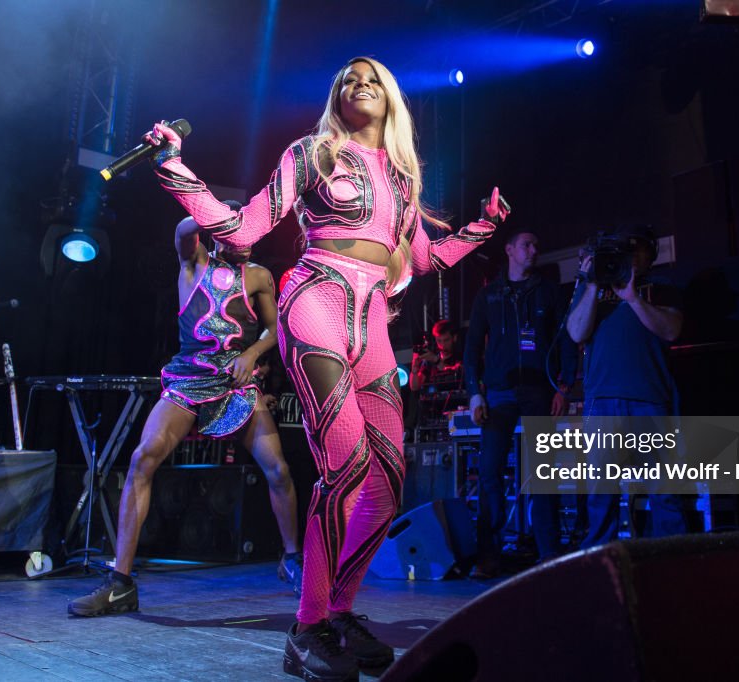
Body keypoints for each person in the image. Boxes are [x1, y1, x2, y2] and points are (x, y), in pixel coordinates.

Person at [144, 57, 510, 680]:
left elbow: (422, 260)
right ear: (336, 98)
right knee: (347, 464)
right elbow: (243, 229)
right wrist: (173, 168)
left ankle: (339, 612)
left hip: (373, 324)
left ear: (391, 97)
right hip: (315, 299)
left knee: (387, 481)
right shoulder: (314, 152)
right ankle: (306, 626)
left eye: (371, 78)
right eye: (347, 79)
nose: (358, 83)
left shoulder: (401, 179)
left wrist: (483, 226)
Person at [68, 203, 302, 618]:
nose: (243, 236)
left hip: (235, 385)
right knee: (143, 459)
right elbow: (182, 229)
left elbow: (275, 329)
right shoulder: (194, 263)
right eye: (234, 228)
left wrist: (253, 352)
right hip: (188, 382)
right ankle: (120, 584)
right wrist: (210, 209)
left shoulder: (260, 277)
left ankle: (292, 558)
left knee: (278, 470)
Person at [464, 229, 577, 578]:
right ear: (510, 250)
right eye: (528, 244)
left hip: (540, 390)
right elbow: (471, 349)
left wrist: (564, 386)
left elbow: (568, 341)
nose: (534, 249)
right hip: (498, 392)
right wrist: (474, 392)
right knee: (490, 473)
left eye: (536, 244)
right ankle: (489, 556)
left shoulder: (548, 291)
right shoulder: (489, 295)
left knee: (544, 471)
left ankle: (548, 554)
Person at [565, 225, 687, 546]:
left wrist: (633, 299)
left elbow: (672, 330)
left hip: (650, 399)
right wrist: (592, 285)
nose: (630, 259)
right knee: (601, 494)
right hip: (603, 402)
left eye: (637, 252)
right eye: (624, 252)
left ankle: (673, 562)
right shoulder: (591, 288)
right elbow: (576, 333)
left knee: (664, 490)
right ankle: (600, 566)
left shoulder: (662, 285)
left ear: (650, 255)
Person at [409, 319, 462, 392]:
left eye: (446, 340)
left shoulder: (462, 356)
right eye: (439, 341)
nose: (442, 345)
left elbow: (458, 375)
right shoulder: (429, 361)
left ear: (454, 338)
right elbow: (414, 387)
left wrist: (437, 361)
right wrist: (414, 369)